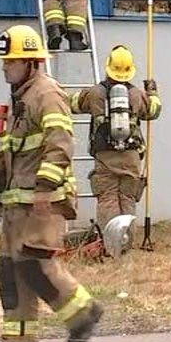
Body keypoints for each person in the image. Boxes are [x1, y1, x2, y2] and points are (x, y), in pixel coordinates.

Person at [0, 24, 104, 342]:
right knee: (11, 270)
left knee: (35, 265)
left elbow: (60, 142)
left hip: (40, 202)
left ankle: (84, 313)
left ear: (32, 62)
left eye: (11, 61)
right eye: (4, 61)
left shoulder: (46, 94)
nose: (5, 66)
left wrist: (45, 189)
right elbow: (18, 146)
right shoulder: (21, 95)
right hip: (16, 201)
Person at [69, 44, 162, 239]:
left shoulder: (94, 93)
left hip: (105, 155)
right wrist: (152, 92)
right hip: (131, 156)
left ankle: (110, 243)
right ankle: (127, 241)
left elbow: (73, 105)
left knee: (107, 198)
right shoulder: (137, 95)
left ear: (108, 66)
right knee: (127, 197)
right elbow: (154, 111)